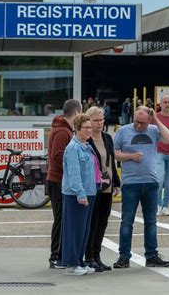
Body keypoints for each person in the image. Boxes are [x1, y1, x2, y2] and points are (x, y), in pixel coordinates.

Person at [113, 106, 169, 269]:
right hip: (131, 183)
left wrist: (157, 120)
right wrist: (130, 156)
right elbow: (114, 152)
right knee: (127, 221)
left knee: (151, 221)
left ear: (149, 120)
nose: (139, 126)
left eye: (143, 123)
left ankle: (152, 255)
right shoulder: (124, 131)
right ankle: (124, 256)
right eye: (136, 122)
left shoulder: (153, 130)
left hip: (151, 182)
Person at [84, 107, 121, 272]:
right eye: (96, 120)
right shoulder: (86, 140)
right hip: (93, 187)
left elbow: (112, 162)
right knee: (92, 222)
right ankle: (89, 256)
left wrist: (117, 182)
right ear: (89, 121)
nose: (99, 123)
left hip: (107, 186)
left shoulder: (107, 138)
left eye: (101, 120)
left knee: (102, 222)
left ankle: (97, 256)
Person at [46, 99, 82, 269]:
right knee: (60, 219)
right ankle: (55, 256)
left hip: (59, 179)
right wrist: (73, 168)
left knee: (62, 218)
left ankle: (59, 255)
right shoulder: (62, 132)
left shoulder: (62, 129)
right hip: (59, 180)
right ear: (76, 113)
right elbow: (57, 155)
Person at [61, 114, 98, 276]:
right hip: (76, 194)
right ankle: (72, 263)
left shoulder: (86, 146)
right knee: (75, 229)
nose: (89, 130)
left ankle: (80, 260)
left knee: (84, 230)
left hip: (89, 192)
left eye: (90, 127)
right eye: (86, 128)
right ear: (77, 129)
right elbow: (74, 174)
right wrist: (80, 194)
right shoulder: (73, 148)